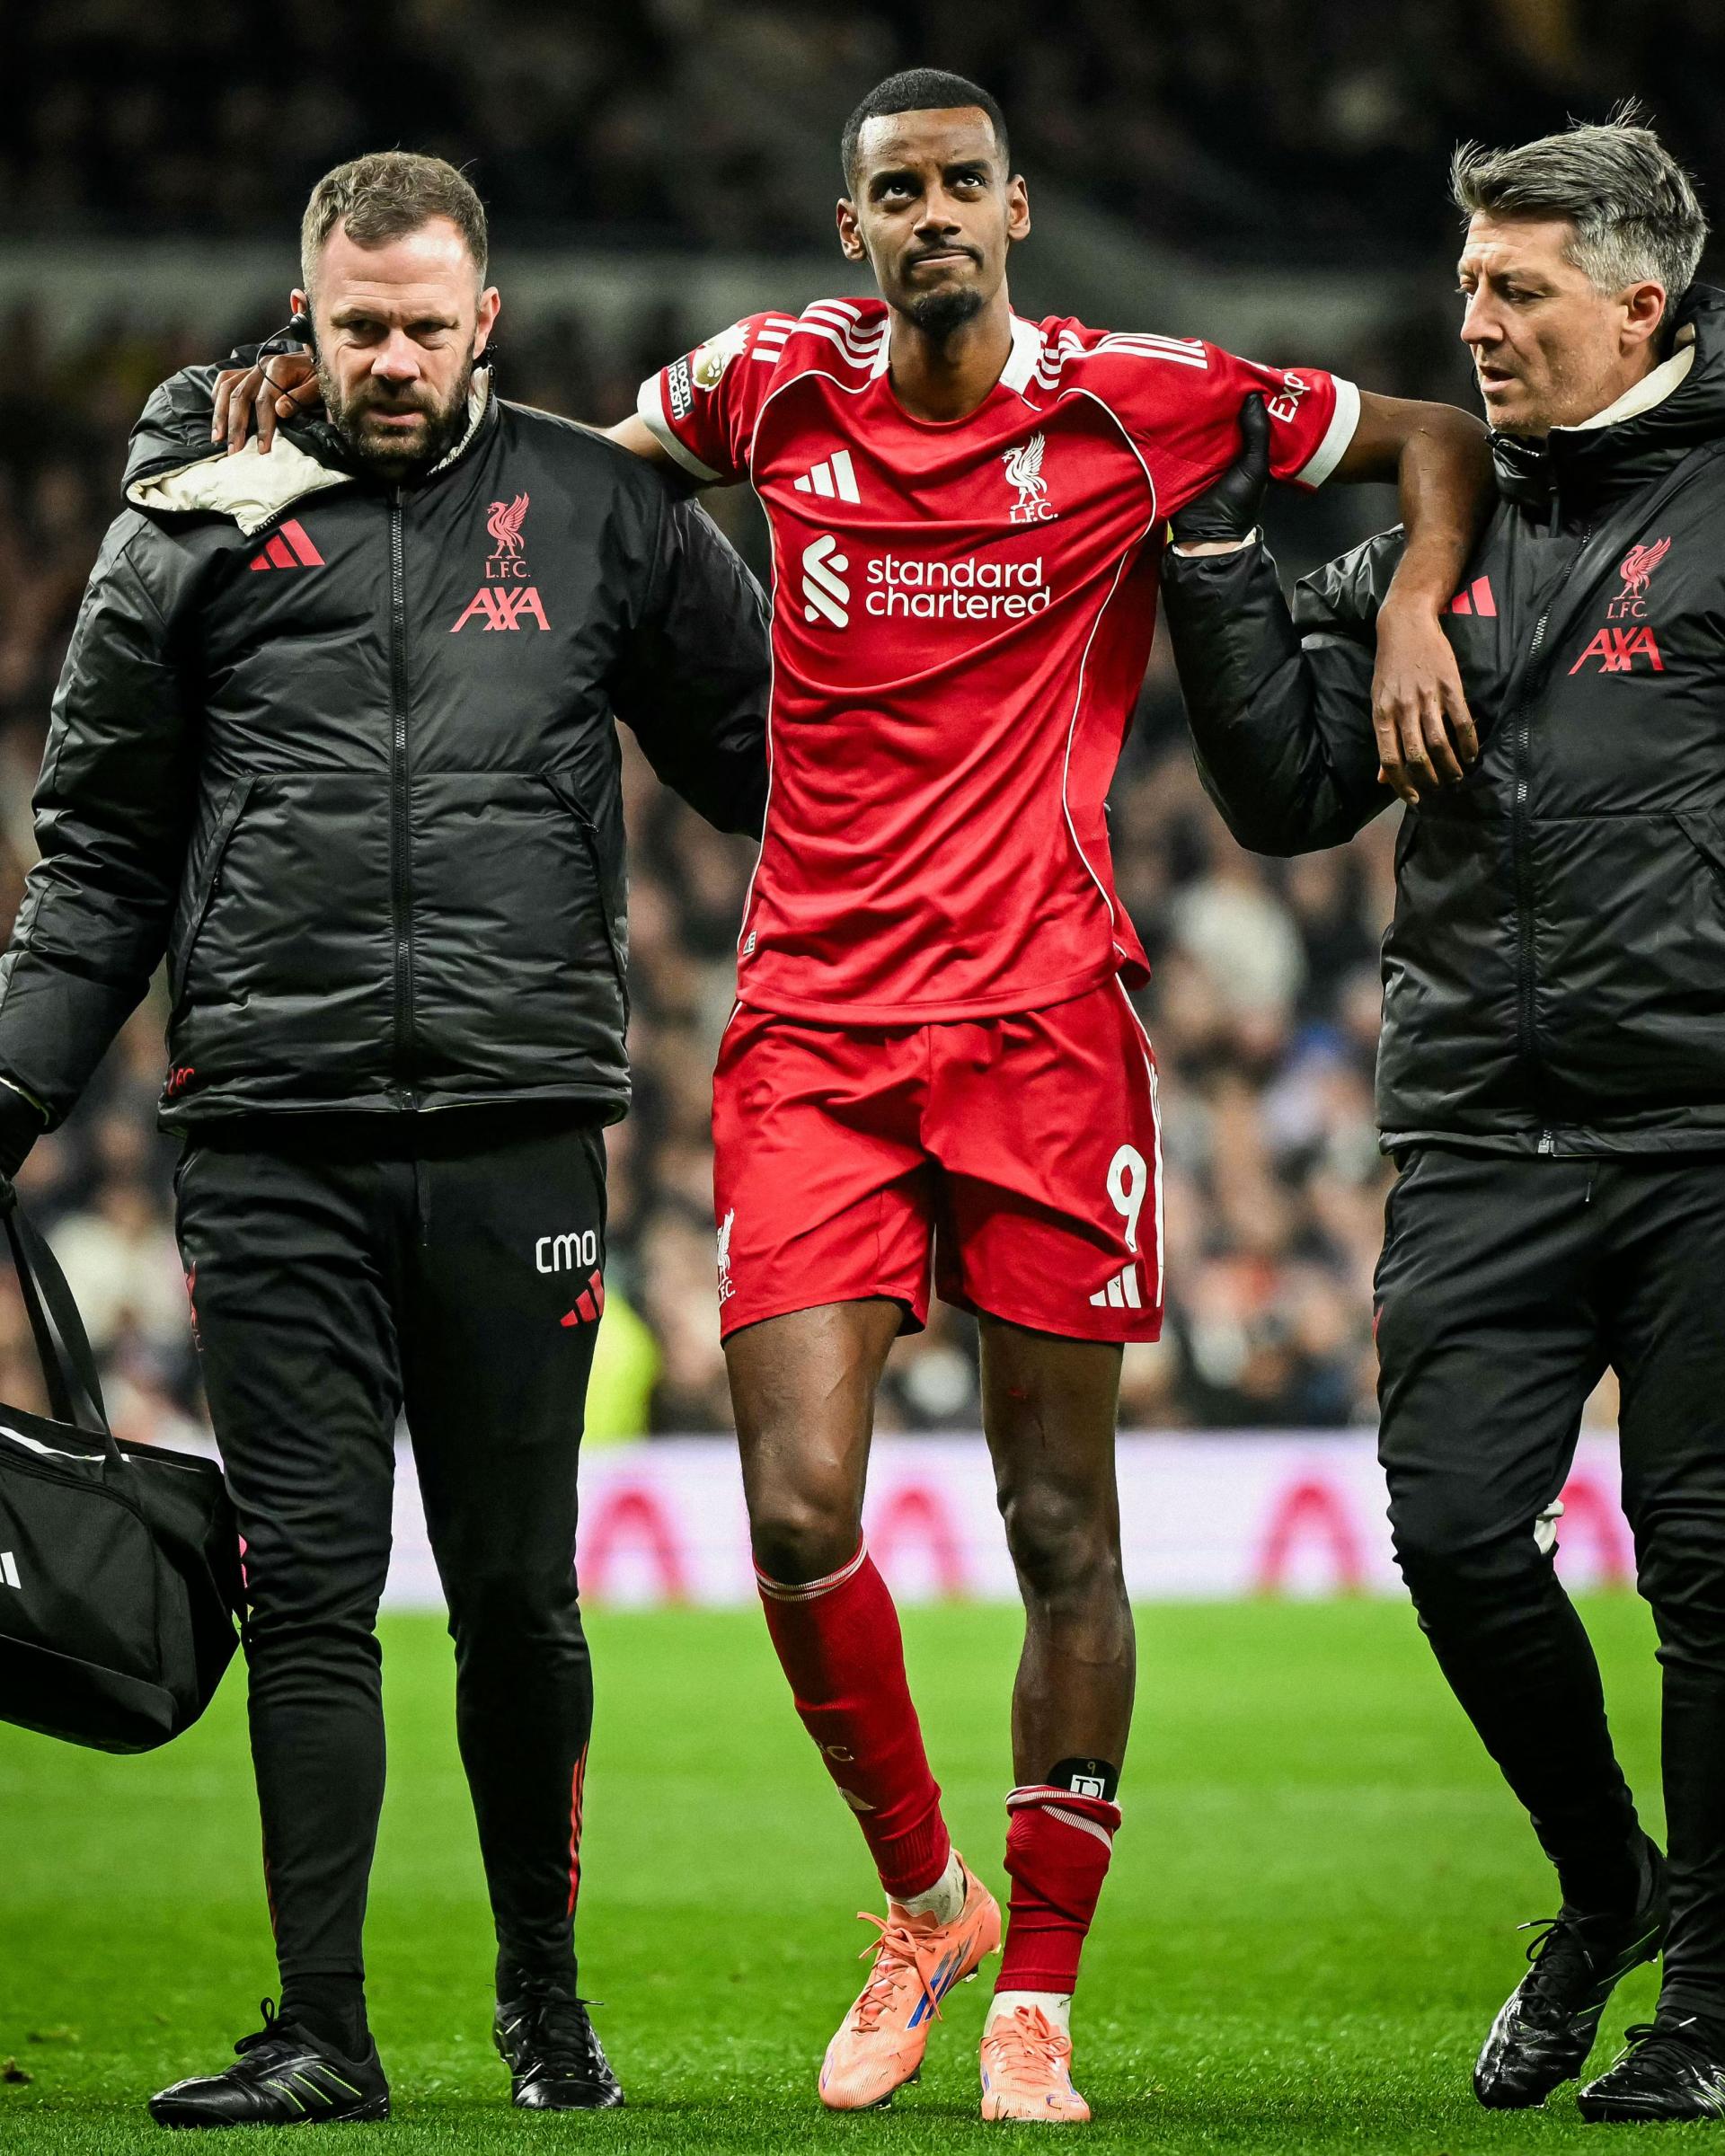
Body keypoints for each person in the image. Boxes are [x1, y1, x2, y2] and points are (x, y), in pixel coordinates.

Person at [216, 69, 1491, 2122]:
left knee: (1059, 1519)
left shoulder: (1141, 401)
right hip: (814, 1029)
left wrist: (1417, 598)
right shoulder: (769, 386)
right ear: (853, 229)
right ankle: (927, 1902)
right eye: (898, 192)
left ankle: (1038, 1989)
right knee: (801, 1512)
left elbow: (1437, 438)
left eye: (965, 185)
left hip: (1048, 1027)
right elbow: (557, 483)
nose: (935, 218)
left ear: (1017, 207)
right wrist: (310, 404)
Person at [0, 151, 768, 2127]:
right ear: (306, 317)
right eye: (362, 329)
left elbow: (783, 765)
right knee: (313, 1599)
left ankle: (544, 2009)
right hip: (271, 1142)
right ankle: (323, 2032)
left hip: (520, 1136)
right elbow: (99, 857)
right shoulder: (192, 521)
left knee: (520, 1601)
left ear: (487, 317)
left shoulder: (604, 510)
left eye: (429, 326)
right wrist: (9, 1088)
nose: (397, 361)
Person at [1158, 113, 1725, 2125]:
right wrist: (1219, 567)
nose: (1473, 321)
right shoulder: (1441, 522)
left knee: (1710, 1574)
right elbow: (1290, 795)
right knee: (1460, 1541)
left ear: (1640, 305)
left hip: (1706, 1130)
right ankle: (1606, 1883)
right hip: (1483, 1119)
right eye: (1468, 282)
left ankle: (1705, 2000)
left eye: (1518, 288)